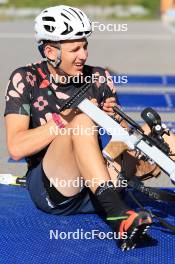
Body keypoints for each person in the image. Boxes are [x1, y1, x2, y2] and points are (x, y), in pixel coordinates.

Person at [4, 5, 175, 250]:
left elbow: (121, 139)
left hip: (97, 182)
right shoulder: (25, 79)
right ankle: (118, 216)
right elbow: (17, 147)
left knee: (161, 135)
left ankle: (116, 204)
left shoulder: (99, 77)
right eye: (75, 49)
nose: (83, 55)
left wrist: (120, 123)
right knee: (80, 120)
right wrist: (67, 116)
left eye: (85, 45)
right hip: (55, 187)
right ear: (51, 51)